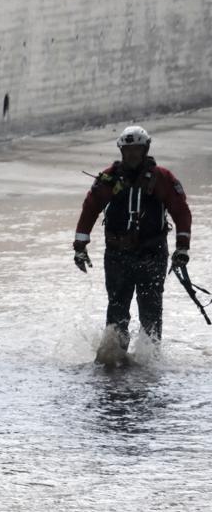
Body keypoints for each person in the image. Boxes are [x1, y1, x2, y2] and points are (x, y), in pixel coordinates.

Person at [73, 125, 192, 353]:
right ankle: (115, 357)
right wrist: (80, 246)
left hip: (152, 255)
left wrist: (182, 248)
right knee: (117, 310)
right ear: (121, 152)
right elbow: (90, 208)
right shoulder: (109, 179)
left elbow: (181, 212)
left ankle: (149, 360)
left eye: (137, 149)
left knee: (151, 311)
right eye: (128, 150)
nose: (133, 154)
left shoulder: (162, 179)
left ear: (145, 149)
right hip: (117, 256)